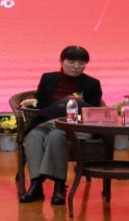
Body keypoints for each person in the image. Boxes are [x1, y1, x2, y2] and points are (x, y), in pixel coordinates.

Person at [18, 46, 104, 205]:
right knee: (34, 135)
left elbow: (93, 112)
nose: (76, 66)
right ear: (61, 61)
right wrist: (33, 101)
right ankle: (36, 185)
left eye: (81, 63)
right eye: (71, 62)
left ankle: (59, 186)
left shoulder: (92, 83)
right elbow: (41, 102)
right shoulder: (48, 78)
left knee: (57, 135)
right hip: (48, 123)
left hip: (77, 126)